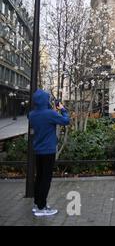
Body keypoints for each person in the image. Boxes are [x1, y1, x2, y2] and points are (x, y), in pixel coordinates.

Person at [28, 89, 70, 217]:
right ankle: (42, 208)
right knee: (46, 179)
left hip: (38, 150)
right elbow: (66, 120)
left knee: (39, 177)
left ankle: (38, 204)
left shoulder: (32, 114)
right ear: (46, 100)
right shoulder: (50, 114)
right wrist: (62, 109)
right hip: (48, 150)